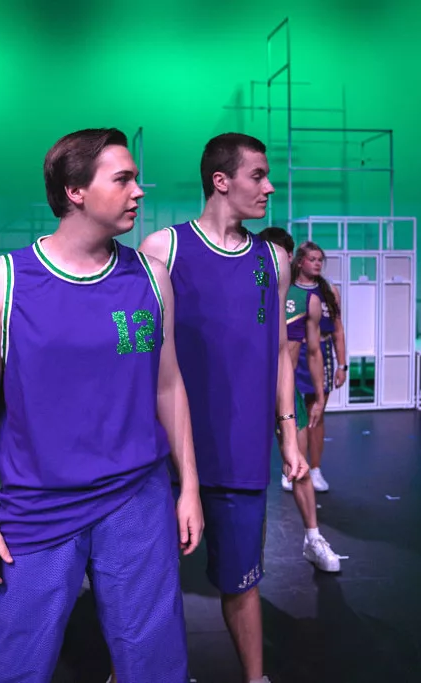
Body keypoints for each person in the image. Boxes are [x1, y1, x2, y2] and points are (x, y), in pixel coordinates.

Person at [0, 128, 203, 683]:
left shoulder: (151, 277)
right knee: (17, 664)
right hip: (39, 502)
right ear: (75, 191)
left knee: (154, 663)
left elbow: (169, 386)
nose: (138, 191)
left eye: (135, 178)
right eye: (123, 179)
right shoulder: (8, 280)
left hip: (137, 496)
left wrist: (187, 485)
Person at [140, 132, 308, 683]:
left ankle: (254, 678)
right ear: (221, 180)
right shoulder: (163, 250)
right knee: (151, 584)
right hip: (169, 454)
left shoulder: (274, 258)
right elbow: (145, 360)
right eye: (258, 175)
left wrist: (288, 433)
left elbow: (282, 355)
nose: (269, 186)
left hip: (241, 455)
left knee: (242, 581)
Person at [259, 227, 341, 572]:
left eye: (282, 256)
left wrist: (320, 395)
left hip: (283, 390)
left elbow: (312, 349)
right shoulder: (246, 291)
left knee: (299, 462)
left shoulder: (303, 298)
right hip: (244, 390)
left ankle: (313, 538)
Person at [293, 241, 347, 492]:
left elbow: (337, 330)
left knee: (316, 411)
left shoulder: (329, 292)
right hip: (293, 352)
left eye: (319, 260)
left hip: (321, 354)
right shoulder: (288, 290)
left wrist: (342, 365)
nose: (316, 264)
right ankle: (293, 466)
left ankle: (315, 469)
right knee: (291, 412)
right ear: (300, 261)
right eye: (312, 259)